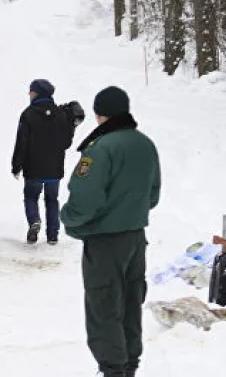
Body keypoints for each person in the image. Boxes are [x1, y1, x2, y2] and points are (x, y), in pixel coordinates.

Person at [60, 86, 160, 377]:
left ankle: (113, 370)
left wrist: (70, 220)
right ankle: (129, 366)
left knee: (104, 307)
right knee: (131, 304)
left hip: (105, 242)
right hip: (136, 238)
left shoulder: (101, 149)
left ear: (100, 115)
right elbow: (152, 195)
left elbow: (85, 198)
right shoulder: (146, 144)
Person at [11, 79, 74, 245]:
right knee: (52, 200)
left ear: (37, 93)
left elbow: (21, 142)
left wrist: (16, 165)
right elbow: (66, 143)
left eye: (31, 91)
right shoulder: (61, 114)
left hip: (33, 168)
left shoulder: (28, 114)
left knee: (31, 196)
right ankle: (52, 235)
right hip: (55, 168)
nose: (29, 94)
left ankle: (34, 221)